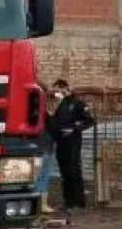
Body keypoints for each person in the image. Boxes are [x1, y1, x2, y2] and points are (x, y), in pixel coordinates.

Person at [50, 78, 95, 212]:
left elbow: (90, 121)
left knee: (74, 171)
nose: (56, 93)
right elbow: (56, 121)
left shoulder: (78, 103)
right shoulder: (62, 104)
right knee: (65, 173)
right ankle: (68, 202)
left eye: (57, 90)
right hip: (61, 142)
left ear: (64, 88)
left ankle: (79, 202)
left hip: (73, 142)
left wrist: (74, 130)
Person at [34, 81, 57, 214]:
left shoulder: (28, 107)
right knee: (42, 176)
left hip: (35, 146)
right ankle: (41, 205)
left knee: (35, 176)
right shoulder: (43, 110)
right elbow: (53, 127)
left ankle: (36, 204)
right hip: (45, 146)